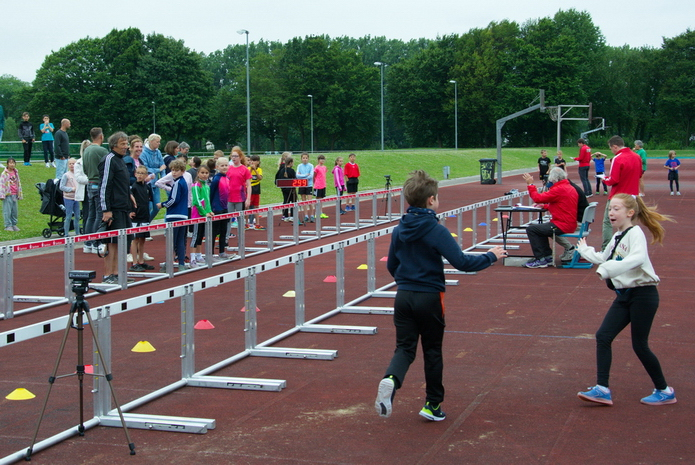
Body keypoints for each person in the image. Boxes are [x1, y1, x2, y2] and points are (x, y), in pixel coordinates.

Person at [375, 170, 506, 421]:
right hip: (430, 297)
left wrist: (406, 281)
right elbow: (462, 262)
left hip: (403, 296)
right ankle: (432, 405)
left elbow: (391, 265)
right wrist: (491, 256)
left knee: (404, 348)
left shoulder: (399, 229)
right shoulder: (436, 229)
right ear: (431, 200)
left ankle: (391, 379)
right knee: (432, 351)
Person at [576, 194, 676, 406]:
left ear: (630, 213)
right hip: (625, 296)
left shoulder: (635, 233)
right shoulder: (618, 236)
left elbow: (637, 258)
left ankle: (665, 391)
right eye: (610, 209)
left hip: (643, 295)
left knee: (640, 345)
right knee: (603, 336)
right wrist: (585, 250)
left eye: (616, 209)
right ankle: (602, 389)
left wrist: (607, 269)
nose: (611, 213)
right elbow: (605, 257)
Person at [520, 167, 578, 268]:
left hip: (562, 224)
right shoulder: (569, 187)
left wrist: (530, 184)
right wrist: (546, 206)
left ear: (554, 180)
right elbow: (562, 205)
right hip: (568, 222)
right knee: (540, 229)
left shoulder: (559, 189)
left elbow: (537, 198)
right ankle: (546, 256)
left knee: (532, 229)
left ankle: (541, 258)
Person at [594, 135, 642, 250]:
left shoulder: (618, 158)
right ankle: (629, 247)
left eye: (611, 148)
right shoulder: (636, 157)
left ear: (615, 146)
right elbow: (639, 175)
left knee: (608, 222)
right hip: (632, 195)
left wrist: (604, 178)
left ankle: (607, 248)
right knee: (628, 223)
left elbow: (613, 180)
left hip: (618, 195)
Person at [98, 132, 133, 284]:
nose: (126, 147)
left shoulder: (122, 161)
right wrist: (106, 210)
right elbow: (105, 186)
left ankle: (118, 273)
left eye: (126, 144)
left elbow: (123, 183)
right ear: (114, 145)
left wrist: (129, 196)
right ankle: (108, 274)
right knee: (111, 242)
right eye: (123, 144)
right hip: (113, 208)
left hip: (123, 207)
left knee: (123, 241)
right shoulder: (109, 160)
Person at [156, 159, 189, 270]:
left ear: (182, 171)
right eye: (173, 170)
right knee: (180, 240)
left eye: (177, 170)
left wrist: (162, 204)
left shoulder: (178, 183)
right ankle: (181, 263)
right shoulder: (183, 182)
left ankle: (168, 263)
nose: (174, 173)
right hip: (183, 215)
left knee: (172, 241)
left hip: (174, 215)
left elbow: (173, 200)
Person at [82, 128, 109, 254]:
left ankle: (87, 242)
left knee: (90, 215)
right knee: (99, 214)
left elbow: (85, 168)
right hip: (98, 182)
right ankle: (96, 242)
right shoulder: (102, 150)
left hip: (90, 182)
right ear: (101, 136)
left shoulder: (86, 149)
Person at [129, 166, 154, 272]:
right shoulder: (133, 187)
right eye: (138, 173)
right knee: (135, 239)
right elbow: (129, 200)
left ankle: (141, 260)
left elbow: (150, 199)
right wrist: (130, 211)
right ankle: (134, 262)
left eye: (142, 173)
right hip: (136, 217)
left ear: (146, 175)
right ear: (135, 174)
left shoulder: (147, 187)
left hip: (144, 216)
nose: (140, 175)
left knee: (142, 239)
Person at [190, 165, 213, 267]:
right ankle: (192, 258)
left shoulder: (206, 186)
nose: (204, 175)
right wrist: (204, 212)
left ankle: (199, 255)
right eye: (202, 173)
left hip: (205, 216)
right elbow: (197, 201)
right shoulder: (196, 185)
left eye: (206, 173)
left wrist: (209, 211)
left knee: (200, 236)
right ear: (198, 173)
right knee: (195, 236)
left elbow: (207, 201)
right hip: (197, 216)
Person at [209, 157, 231, 259]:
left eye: (226, 165)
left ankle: (222, 251)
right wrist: (210, 208)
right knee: (214, 231)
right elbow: (211, 194)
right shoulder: (216, 179)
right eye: (222, 165)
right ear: (217, 167)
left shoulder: (227, 178)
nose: (224, 167)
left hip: (224, 207)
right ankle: (211, 253)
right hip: (216, 208)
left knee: (224, 230)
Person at [140, 134, 165, 221]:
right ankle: (143, 226)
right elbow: (146, 168)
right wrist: (158, 169)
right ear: (151, 142)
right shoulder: (143, 153)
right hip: (147, 183)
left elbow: (163, 166)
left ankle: (147, 223)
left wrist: (163, 179)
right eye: (157, 142)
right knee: (148, 207)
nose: (159, 144)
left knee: (157, 207)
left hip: (156, 184)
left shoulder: (158, 152)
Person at [59, 158, 86, 236]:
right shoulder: (66, 175)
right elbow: (61, 186)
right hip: (68, 198)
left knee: (77, 216)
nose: (71, 165)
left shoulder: (78, 175)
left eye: (73, 164)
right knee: (68, 216)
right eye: (70, 164)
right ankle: (66, 233)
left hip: (76, 197)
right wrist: (71, 189)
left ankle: (77, 233)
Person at [227, 148, 252, 230]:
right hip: (229, 198)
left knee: (240, 219)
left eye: (236, 156)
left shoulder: (244, 169)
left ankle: (241, 238)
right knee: (228, 219)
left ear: (240, 157)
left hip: (240, 198)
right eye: (232, 156)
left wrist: (248, 199)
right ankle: (226, 237)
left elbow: (249, 185)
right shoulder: (229, 168)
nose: (233, 158)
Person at [0, 158, 22, 231]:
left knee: (14, 211)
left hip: (14, 194)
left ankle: (14, 224)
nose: (12, 164)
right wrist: (2, 195)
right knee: (7, 211)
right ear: (7, 164)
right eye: (10, 163)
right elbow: (2, 184)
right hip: (7, 194)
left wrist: (19, 193)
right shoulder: (4, 174)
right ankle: (8, 225)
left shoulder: (16, 173)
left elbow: (18, 183)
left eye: (13, 163)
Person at [276, 155, 298, 222]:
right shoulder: (291, 170)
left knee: (286, 201)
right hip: (291, 189)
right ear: (290, 163)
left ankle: (285, 215)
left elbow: (278, 178)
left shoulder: (282, 170)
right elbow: (295, 179)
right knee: (293, 201)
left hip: (284, 189)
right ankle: (292, 215)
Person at [296, 152, 314, 222]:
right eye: (303, 158)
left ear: (308, 159)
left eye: (306, 158)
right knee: (303, 201)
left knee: (310, 201)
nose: (305, 159)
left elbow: (311, 176)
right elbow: (297, 175)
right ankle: (306, 215)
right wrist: (305, 175)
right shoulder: (299, 166)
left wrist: (303, 176)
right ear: (301, 159)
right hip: (302, 185)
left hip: (309, 185)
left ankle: (312, 215)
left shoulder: (311, 166)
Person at [248, 155, 265, 229]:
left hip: (256, 189)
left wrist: (255, 170)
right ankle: (247, 223)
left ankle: (257, 223)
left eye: (254, 161)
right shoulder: (248, 168)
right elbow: (246, 176)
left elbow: (260, 178)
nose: (252, 162)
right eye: (251, 160)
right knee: (247, 207)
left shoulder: (259, 169)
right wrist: (251, 169)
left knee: (256, 206)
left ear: (258, 162)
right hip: (249, 188)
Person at [313, 154, 328, 218]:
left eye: (323, 159)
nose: (322, 160)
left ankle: (321, 212)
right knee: (317, 199)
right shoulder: (316, 167)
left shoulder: (324, 167)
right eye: (321, 159)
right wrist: (315, 183)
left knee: (321, 199)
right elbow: (314, 176)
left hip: (323, 185)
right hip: (318, 185)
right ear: (318, 160)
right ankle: (317, 212)